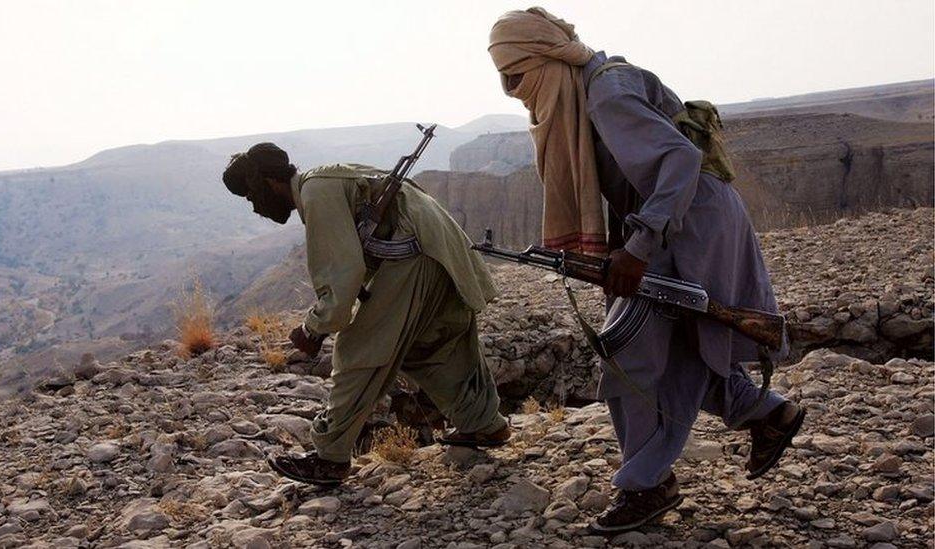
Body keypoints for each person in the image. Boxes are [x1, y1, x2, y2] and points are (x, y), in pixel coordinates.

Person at [488, 7, 805, 534]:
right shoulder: (596, 86)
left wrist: (636, 250)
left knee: (629, 354)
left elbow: (678, 161)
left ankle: (647, 485)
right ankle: (767, 413)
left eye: (516, 76)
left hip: (688, 222)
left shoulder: (605, 93)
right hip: (677, 219)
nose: (512, 90)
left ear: (546, 58)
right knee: (680, 345)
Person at [221, 143, 509, 486]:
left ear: (270, 183)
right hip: (439, 250)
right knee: (426, 348)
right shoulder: (326, 177)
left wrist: (313, 329)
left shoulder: (315, 193)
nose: (255, 207)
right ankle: (483, 423)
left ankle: (329, 458)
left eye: (252, 196)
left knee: (358, 350)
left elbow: (341, 279)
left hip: (416, 257)